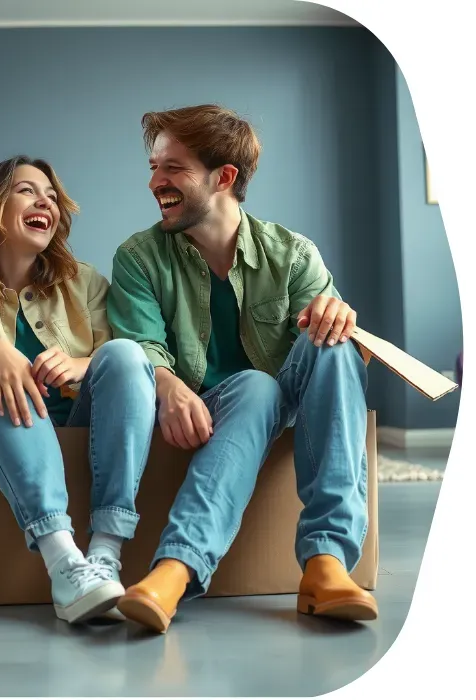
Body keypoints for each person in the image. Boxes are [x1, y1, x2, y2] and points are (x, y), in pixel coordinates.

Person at [107, 104, 377, 633]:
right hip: (208, 413)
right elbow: (139, 346)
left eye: (172, 168)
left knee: (337, 343)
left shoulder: (293, 254)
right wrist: (165, 385)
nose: (154, 181)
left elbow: (326, 359)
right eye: (153, 167)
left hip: (290, 412)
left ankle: (326, 564)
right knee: (254, 385)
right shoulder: (139, 257)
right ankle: (175, 569)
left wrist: (336, 313)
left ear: (224, 177)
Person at [0, 155, 156, 624]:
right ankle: (65, 563)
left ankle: (105, 553)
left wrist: (79, 365)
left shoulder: (84, 282)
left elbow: (115, 357)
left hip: (83, 425)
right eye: (27, 190)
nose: (45, 200)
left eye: (51, 195)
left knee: (128, 356)